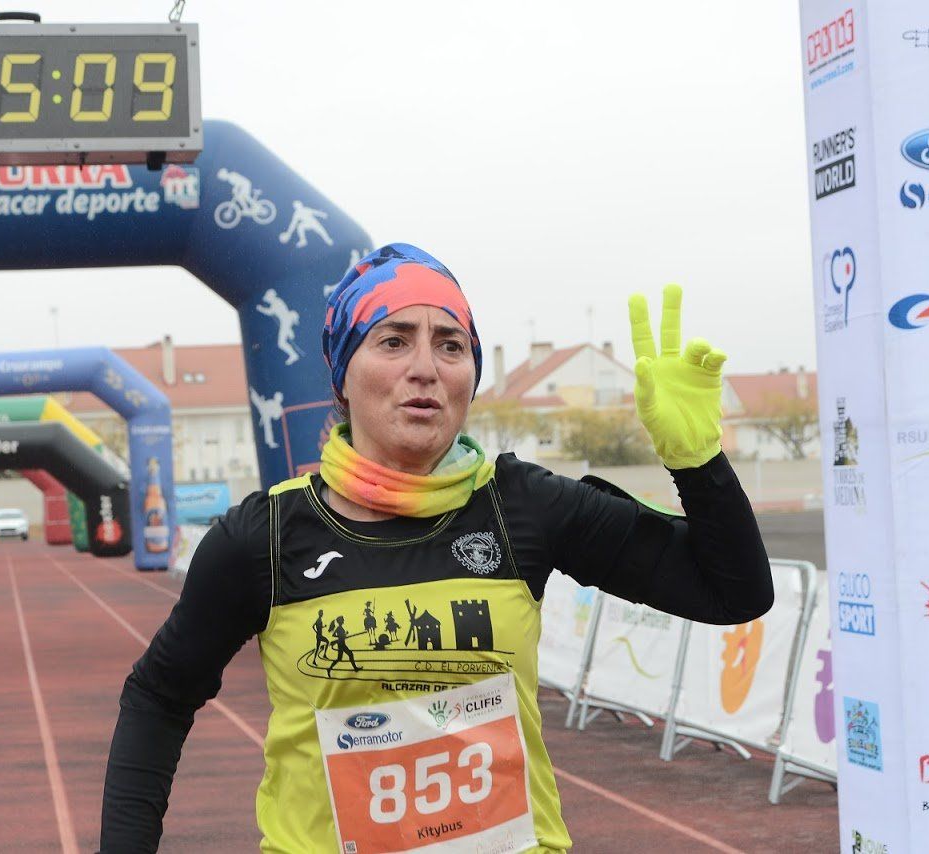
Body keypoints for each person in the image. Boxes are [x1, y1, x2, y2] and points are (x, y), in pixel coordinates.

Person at [99, 243, 773, 852]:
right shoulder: (264, 537)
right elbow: (159, 697)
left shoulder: (524, 506)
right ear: (342, 373)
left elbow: (734, 592)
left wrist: (698, 460)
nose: (425, 368)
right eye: (393, 341)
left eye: (451, 345)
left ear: (470, 376)